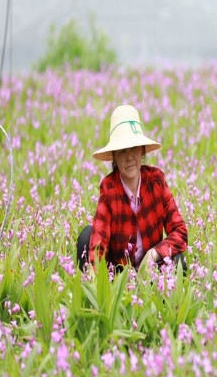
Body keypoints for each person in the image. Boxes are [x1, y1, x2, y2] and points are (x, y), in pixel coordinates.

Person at [77, 105, 187, 273]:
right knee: (87, 235)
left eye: (134, 148)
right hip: (119, 277)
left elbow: (180, 231)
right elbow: (99, 241)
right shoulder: (109, 188)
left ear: (142, 150)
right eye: (122, 151)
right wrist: (97, 280)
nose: (129, 157)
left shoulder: (156, 180)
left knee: (178, 261)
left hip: (151, 272)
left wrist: (154, 254)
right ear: (114, 157)